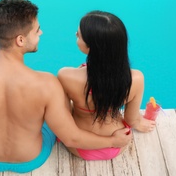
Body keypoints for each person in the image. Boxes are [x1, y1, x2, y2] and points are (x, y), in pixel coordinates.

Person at [0, 0, 132, 173]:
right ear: (20, 40)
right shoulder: (47, 84)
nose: (41, 33)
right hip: (31, 159)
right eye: (37, 30)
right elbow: (71, 139)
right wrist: (112, 141)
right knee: (51, 112)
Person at [57, 10, 156, 161]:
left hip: (80, 145)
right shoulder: (135, 78)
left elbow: (66, 116)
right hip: (118, 143)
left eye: (79, 35)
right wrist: (140, 122)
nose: (76, 35)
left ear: (91, 46)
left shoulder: (66, 76)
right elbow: (131, 120)